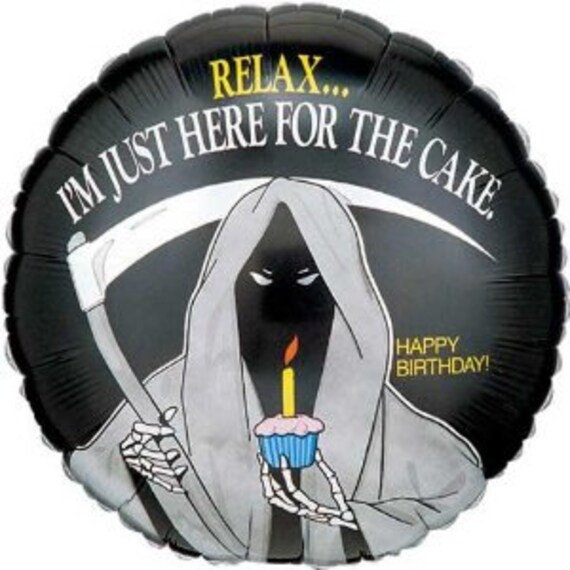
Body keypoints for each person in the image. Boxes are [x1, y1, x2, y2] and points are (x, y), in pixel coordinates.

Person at [68, 178, 485, 565]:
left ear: (345, 291)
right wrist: (140, 469)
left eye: (308, 280)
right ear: (225, 283)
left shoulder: (385, 419)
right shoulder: (167, 398)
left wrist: (339, 522)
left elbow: (458, 481)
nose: (283, 305)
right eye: (260, 277)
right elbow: (100, 464)